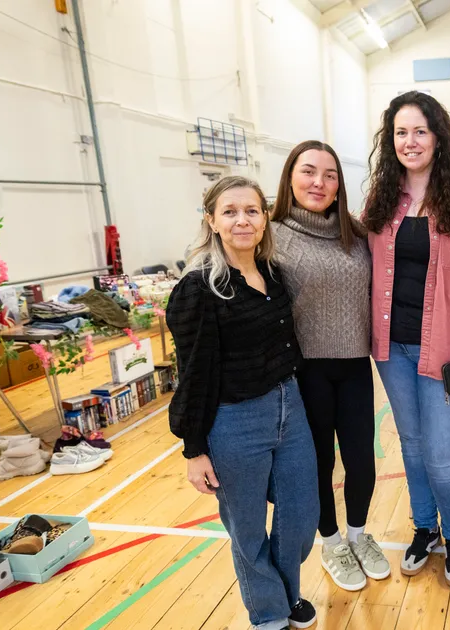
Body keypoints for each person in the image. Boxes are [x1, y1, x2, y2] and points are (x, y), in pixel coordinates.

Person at [362, 91, 450, 587]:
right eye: (401, 132)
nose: (410, 141)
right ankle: (426, 529)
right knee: (412, 447)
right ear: (390, 140)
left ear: (438, 137)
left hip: (445, 352)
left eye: (420, 131)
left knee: (442, 456)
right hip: (392, 350)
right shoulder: (381, 201)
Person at [167, 176, 319, 629]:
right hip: (234, 421)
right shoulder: (199, 289)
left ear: (264, 218)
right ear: (211, 221)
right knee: (247, 527)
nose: (242, 220)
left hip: (290, 408)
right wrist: (194, 450)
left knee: (301, 514)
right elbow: (192, 374)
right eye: (229, 212)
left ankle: (285, 591)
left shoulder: (273, 274)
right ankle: (270, 612)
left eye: (251, 210)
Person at [270, 141, 389, 593]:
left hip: (356, 364)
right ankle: (332, 542)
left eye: (330, 174)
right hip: (306, 371)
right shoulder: (271, 235)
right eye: (308, 171)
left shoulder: (355, 232)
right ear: (290, 177)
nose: (319, 182)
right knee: (319, 463)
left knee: (361, 460)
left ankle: (358, 536)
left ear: (340, 184)